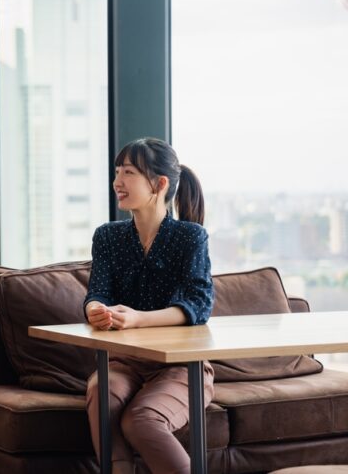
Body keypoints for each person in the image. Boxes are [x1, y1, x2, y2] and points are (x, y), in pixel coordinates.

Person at [83, 137, 214, 474]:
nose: (117, 182)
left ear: (159, 183)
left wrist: (139, 319)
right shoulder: (107, 237)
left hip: (182, 367)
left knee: (140, 420)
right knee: (101, 392)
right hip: (125, 362)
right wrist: (95, 310)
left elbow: (198, 305)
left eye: (128, 172)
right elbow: (96, 292)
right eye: (116, 172)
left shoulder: (190, 236)